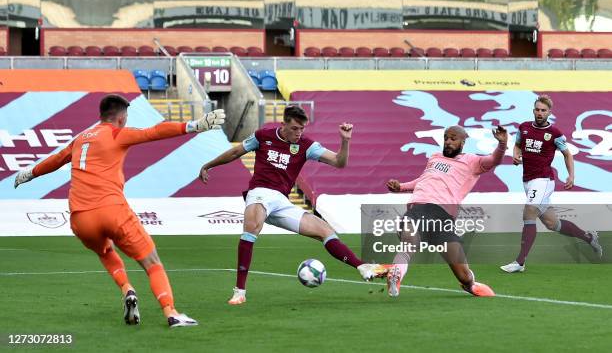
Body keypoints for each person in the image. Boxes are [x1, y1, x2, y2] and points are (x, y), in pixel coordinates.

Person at [14, 94, 225, 327]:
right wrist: (195, 125)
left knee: (106, 252)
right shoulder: (117, 133)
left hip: (80, 217)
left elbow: (55, 160)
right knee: (152, 262)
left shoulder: (81, 139)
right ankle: (171, 313)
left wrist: (29, 174)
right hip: (111, 210)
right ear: (122, 117)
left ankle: (127, 289)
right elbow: (154, 132)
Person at [199, 105, 388, 305]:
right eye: (295, 128)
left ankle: (362, 267)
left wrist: (345, 141)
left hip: (281, 201)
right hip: (260, 192)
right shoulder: (263, 136)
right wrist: (208, 165)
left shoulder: (307, 145)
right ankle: (240, 292)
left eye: (302, 129)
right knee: (251, 229)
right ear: (284, 125)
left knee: (325, 230)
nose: (299, 133)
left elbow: (338, 162)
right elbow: (236, 152)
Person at [385, 125, 508, 297]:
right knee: (409, 242)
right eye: (446, 138)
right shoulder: (435, 157)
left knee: (464, 276)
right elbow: (423, 180)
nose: (448, 142)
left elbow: (494, 160)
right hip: (420, 207)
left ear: (463, 142)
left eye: (453, 138)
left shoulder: (472, 161)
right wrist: (401, 187)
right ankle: (395, 274)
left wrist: (502, 144)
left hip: (443, 218)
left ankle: (470, 284)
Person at [500, 95, 601, 273]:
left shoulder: (555, 134)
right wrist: (515, 155)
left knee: (529, 212)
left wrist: (571, 175)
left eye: (543, 110)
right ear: (533, 110)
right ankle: (588, 237)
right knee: (552, 224)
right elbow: (517, 145)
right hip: (528, 181)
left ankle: (520, 262)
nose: (540, 113)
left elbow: (567, 154)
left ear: (549, 113)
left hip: (544, 180)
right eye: (537, 110)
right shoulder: (523, 128)